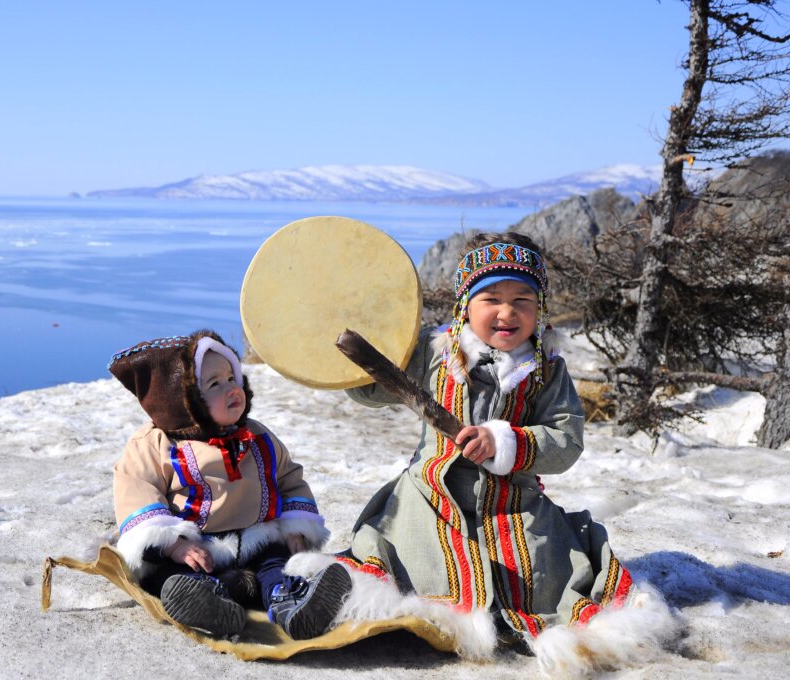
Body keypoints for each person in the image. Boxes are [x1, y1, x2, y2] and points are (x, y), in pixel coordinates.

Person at [341, 232, 649, 649]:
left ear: (538, 309)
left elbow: (566, 438)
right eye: (491, 299)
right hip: (430, 495)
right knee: (408, 558)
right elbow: (375, 387)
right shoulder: (434, 353)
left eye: (522, 300)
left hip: (513, 501)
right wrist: (351, 360)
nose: (507, 312)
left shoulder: (546, 371)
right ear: (465, 305)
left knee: (541, 574)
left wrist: (506, 442)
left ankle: (501, 613)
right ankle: (344, 603)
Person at [108, 329, 351, 639]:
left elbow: (289, 478)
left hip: (256, 537)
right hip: (194, 546)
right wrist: (174, 544)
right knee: (170, 577)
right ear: (185, 400)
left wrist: (296, 530)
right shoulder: (156, 443)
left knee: (274, 563)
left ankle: (290, 602)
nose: (231, 389)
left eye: (232, 378)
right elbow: (137, 487)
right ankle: (207, 603)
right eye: (215, 384)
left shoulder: (257, 436)